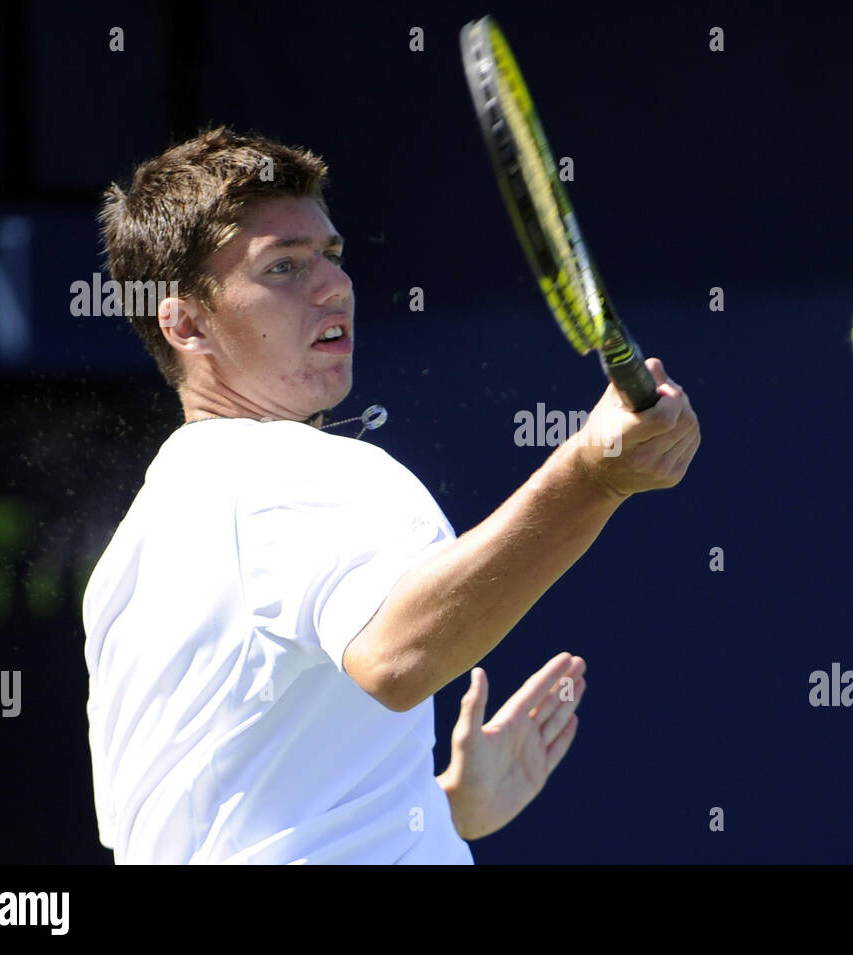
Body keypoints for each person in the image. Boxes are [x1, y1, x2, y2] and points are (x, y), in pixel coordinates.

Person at [82, 127, 700, 863]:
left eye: (331, 257)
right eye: (282, 267)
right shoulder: (290, 472)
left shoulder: (129, 559)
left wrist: (433, 810)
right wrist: (591, 476)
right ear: (184, 321)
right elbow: (398, 657)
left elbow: (218, 826)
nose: (332, 285)